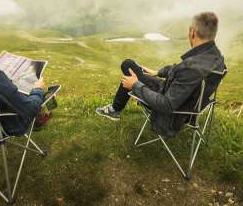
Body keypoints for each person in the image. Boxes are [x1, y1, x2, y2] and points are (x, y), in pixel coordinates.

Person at [96, 12, 227, 137]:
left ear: (192, 32)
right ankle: (115, 108)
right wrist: (158, 72)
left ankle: (114, 110)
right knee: (133, 69)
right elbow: (180, 70)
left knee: (128, 65)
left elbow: (166, 105)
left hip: (171, 113)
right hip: (183, 101)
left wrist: (135, 85)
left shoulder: (191, 68)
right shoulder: (216, 58)